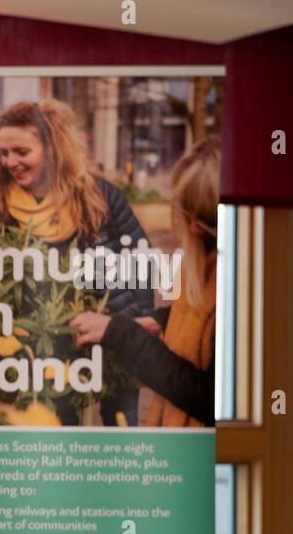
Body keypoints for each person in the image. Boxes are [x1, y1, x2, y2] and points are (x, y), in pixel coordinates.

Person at [0, 98, 155, 425]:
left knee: (122, 431)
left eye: (22, 152)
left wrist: (135, 325)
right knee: (58, 432)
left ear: (52, 148)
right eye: (4, 153)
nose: (11, 161)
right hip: (46, 352)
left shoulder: (99, 197)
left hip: (110, 341)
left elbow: (140, 260)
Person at [70, 135, 220, 427]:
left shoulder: (239, 281)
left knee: (122, 415)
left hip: (195, 452)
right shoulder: (205, 261)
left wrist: (123, 331)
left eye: (206, 219)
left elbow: (209, 397)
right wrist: (157, 321)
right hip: (116, 333)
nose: (193, 228)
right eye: (188, 212)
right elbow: (195, 322)